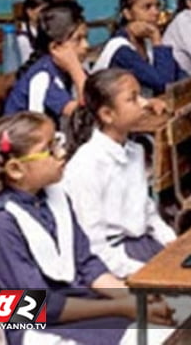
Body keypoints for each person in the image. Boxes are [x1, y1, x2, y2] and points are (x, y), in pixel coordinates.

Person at [0, 112, 179, 345]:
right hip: (34, 327)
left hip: (78, 306)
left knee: (175, 321)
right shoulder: (0, 225)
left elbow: (87, 263)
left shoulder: (54, 197)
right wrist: (119, 307)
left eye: (58, 142)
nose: (61, 153)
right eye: (49, 149)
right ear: (16, 169)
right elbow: (32, 308)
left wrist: (134, 299)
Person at [62, 69, 176, 278]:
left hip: (145, 246)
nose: (143, 104)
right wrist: (141, 271)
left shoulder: (134, 151)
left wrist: (171, 243)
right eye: (132, 99)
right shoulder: (86, 166)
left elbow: (148, 212)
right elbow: (94, 244)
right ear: (107, 114)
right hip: (117, 259)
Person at [4, 1, 89, 125]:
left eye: (86, 37)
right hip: (21, 140)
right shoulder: (43, 76)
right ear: (55, 47)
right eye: (78, 39)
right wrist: (75, 68)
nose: (86, 45)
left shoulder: (62, 68)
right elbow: (85, 112)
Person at [92, 0, 183, 96]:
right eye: (147, 7)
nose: (155, 12)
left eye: (157, 6)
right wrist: (157, 39)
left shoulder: (146, 43)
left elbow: (179, 75)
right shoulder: (120, 49)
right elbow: (164, 84)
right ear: (128, 14)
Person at [16, 0, 53, 65]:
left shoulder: (46, 30)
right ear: (29, 12)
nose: (47, 14)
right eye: (42, 11)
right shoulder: (23, 39)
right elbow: (29, 65)